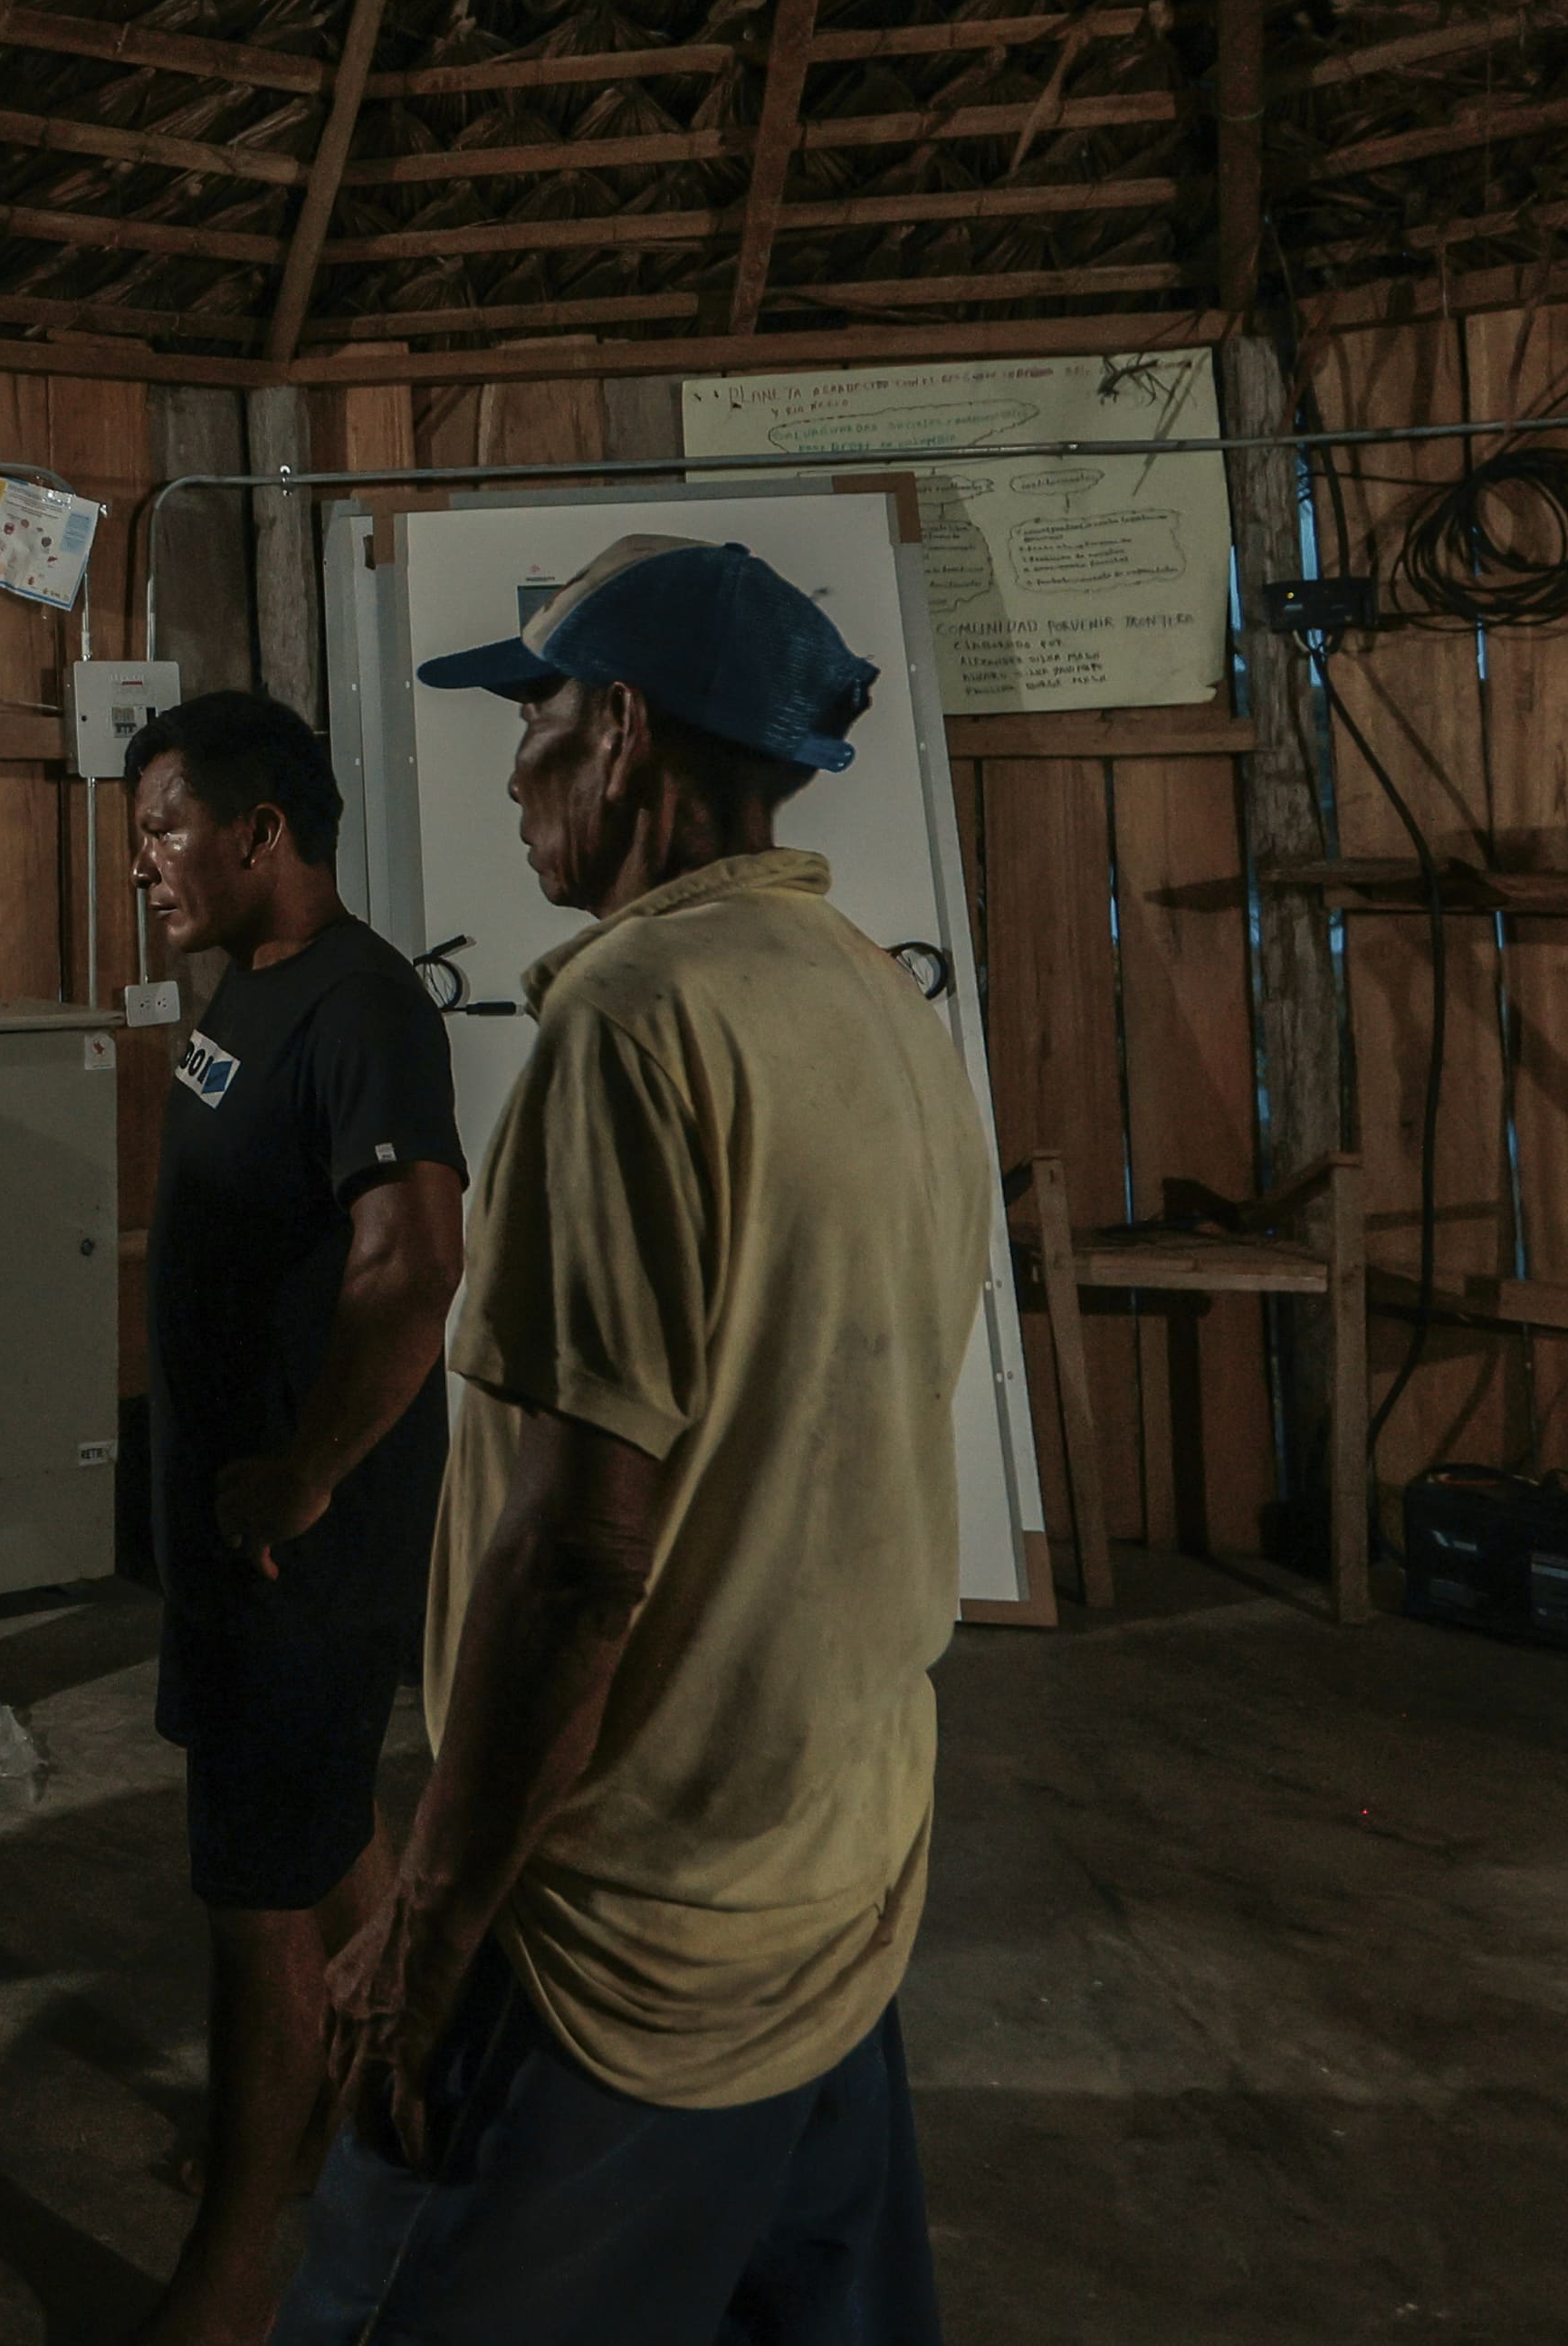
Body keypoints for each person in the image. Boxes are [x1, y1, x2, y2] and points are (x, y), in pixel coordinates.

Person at [282, 538, 987, 2346]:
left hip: (623, 1936)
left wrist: (426, 1940)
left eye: (532, 720)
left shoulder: (633, 1021)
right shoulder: (871, 1001)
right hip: (831, 1872)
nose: (511, 772)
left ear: (620, 734)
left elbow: (581, 1549)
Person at [117, 691, 465, 2346]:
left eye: (170, 824)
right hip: (230, 1511)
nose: (146, 859)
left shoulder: (362, 1007)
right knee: (326, 1845)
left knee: (253, 1899)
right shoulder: (242, 992)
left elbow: (410, 1263)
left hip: (299, 1531)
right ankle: (415, 2107)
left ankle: (239, 2263)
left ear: (265, 831)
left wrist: (312, 1469)